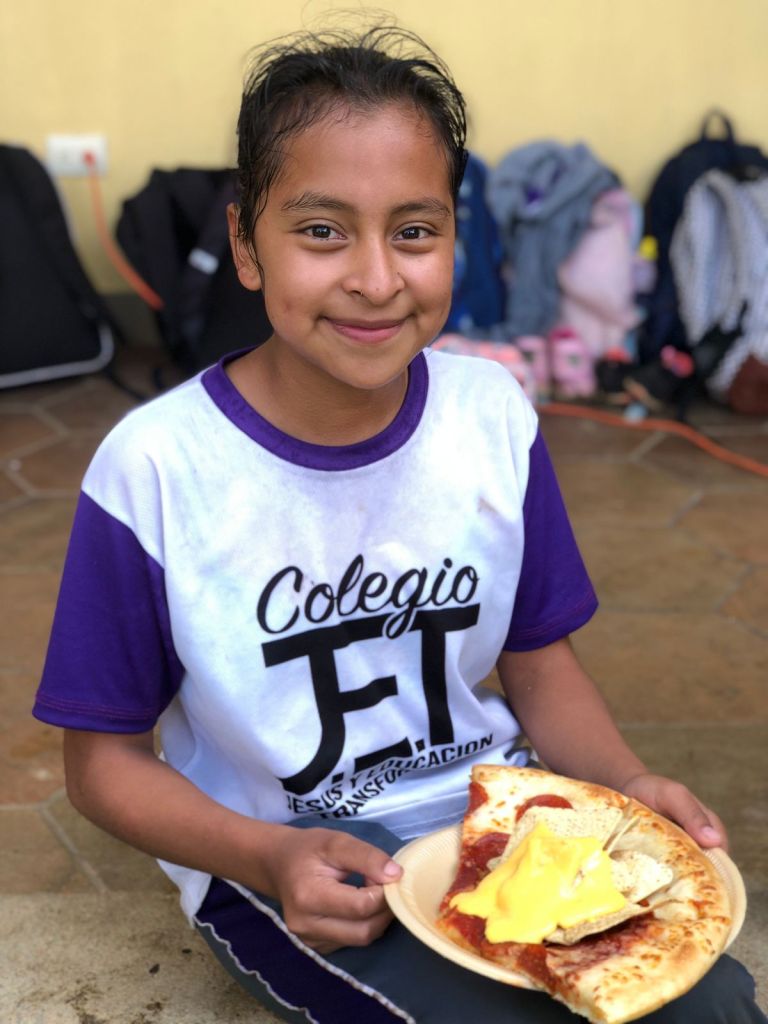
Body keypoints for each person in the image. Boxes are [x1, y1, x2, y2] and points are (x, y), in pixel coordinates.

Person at [33, 21, 764, 1024]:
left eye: (415, 232)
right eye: (322, 231)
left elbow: (540, 667)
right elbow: (101, 764)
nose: (376, 279)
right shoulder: (156, 468)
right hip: (291, 861)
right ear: (245, 244)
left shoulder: (491, 414)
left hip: (502, 816)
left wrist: (630, 782)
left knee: (704, 1003)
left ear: (459, 236)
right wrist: (266, 855)